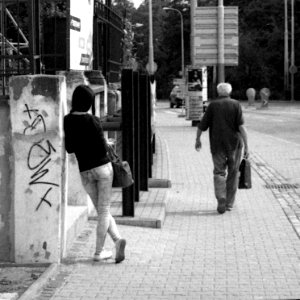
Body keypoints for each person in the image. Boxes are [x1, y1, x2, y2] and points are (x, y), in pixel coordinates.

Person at [64, 84, 126, 263]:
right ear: (90, 102)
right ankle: (99, 252)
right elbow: (101, 147)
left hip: (85, 171)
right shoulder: (94, 120)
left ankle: (117, 240)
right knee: (104, 211)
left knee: (101, 211)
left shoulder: (67, 120)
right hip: (103, 169)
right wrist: (107, 143)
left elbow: (69, 149)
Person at [195, 82, 249, 214]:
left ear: (218, 92)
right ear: (229, 92)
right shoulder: (236, 104)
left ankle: (221, 197)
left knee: (219, 172)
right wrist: (247, 146)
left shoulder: (213, 105)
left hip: (217, 145)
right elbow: (241, 127)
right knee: (233, 172)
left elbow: (202, 125)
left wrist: (198, 139)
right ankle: (229, 203)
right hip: (235, 145)